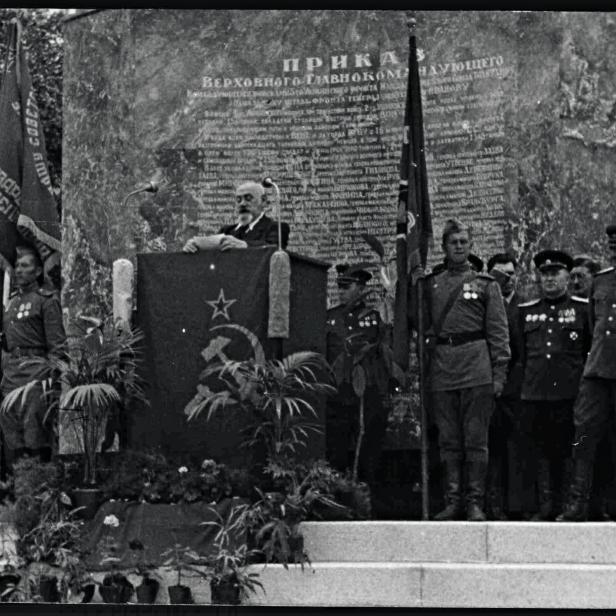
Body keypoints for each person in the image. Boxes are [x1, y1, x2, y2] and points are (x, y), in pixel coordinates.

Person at [413, 219, 510, 521]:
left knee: (475, 440)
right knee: (449, 440)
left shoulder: (485, 285)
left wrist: (499, 374)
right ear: (443, 247)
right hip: (443, 369)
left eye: (464, 242)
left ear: (470, 246)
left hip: (476, 369)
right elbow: (418, 323)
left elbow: (498, 333)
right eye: (453, 242)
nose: (459, 247)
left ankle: (475, 503)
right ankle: (453, 500)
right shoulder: (431, 285)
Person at [517, 250, 591, 520]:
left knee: (569, 450)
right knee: (539, 452)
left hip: (570, 393)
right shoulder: (526, 313)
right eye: (544, 274)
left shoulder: (582, 310)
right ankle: (545, 505)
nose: (549, 279)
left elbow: (589, 350)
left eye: (555, 274)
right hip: (535, 393)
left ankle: (570, 505)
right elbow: (520, 355)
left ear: (567, 277)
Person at [557, 224, 616, 521]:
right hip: (598, 372)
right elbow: (595, 328)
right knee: (584, 436)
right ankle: (577, 504)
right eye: (611, 242)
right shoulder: (601, 281)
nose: (613, 245)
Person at [325, 263, 387, 499]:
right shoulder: (330, 318)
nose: (341, 292)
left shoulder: (373, 318)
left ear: (361, 288)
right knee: (336, 450)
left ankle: (366, 498)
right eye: (339, 287)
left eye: (347, 286)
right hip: (337, 393)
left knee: (367, 452)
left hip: (365, 394)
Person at [0, 246, 66, 464]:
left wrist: (52, 380)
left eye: (25, 266)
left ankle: (40, 490)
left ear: (38, 271)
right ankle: (20, 492)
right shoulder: (10, 304)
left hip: (36, 376)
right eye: (17, 266)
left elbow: (57, 345)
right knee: (12, 433)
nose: (18, 270)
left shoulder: (46, 300)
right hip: (12, 376)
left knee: (35, 433)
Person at [485, 252, 523, 520]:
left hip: (518, 389)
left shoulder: (524, 307)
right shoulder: (483, 304)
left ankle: (517, 505)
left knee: (517, 448)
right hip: (488, 384)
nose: (507, 279)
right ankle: (494, 505)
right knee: (491, 449)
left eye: (511, 273)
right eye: (500, 274)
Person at [183, 181, 290, 252]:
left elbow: (274, 249)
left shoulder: (277, 227)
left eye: (248, 198)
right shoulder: (227, 230)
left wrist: (244, 245)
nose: (242, 204)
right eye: (238, 200)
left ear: (263, 201)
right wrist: (196, 248)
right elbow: (212, 257)